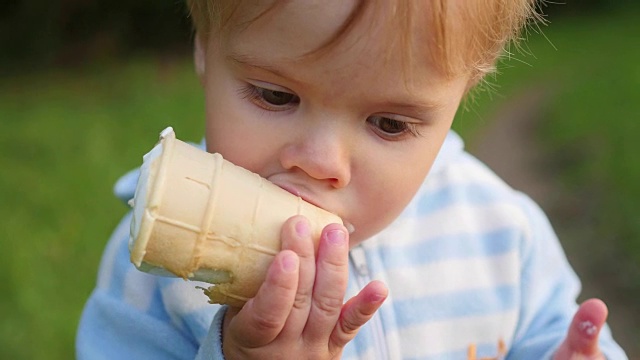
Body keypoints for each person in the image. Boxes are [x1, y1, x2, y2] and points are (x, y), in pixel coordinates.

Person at [77, 1, 628, 359]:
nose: (320, 162)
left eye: (389, 124)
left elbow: (560, 337)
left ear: (463, 95)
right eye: (275, 95)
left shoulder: (503, 236)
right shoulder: (151, 278)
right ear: (203, 50)